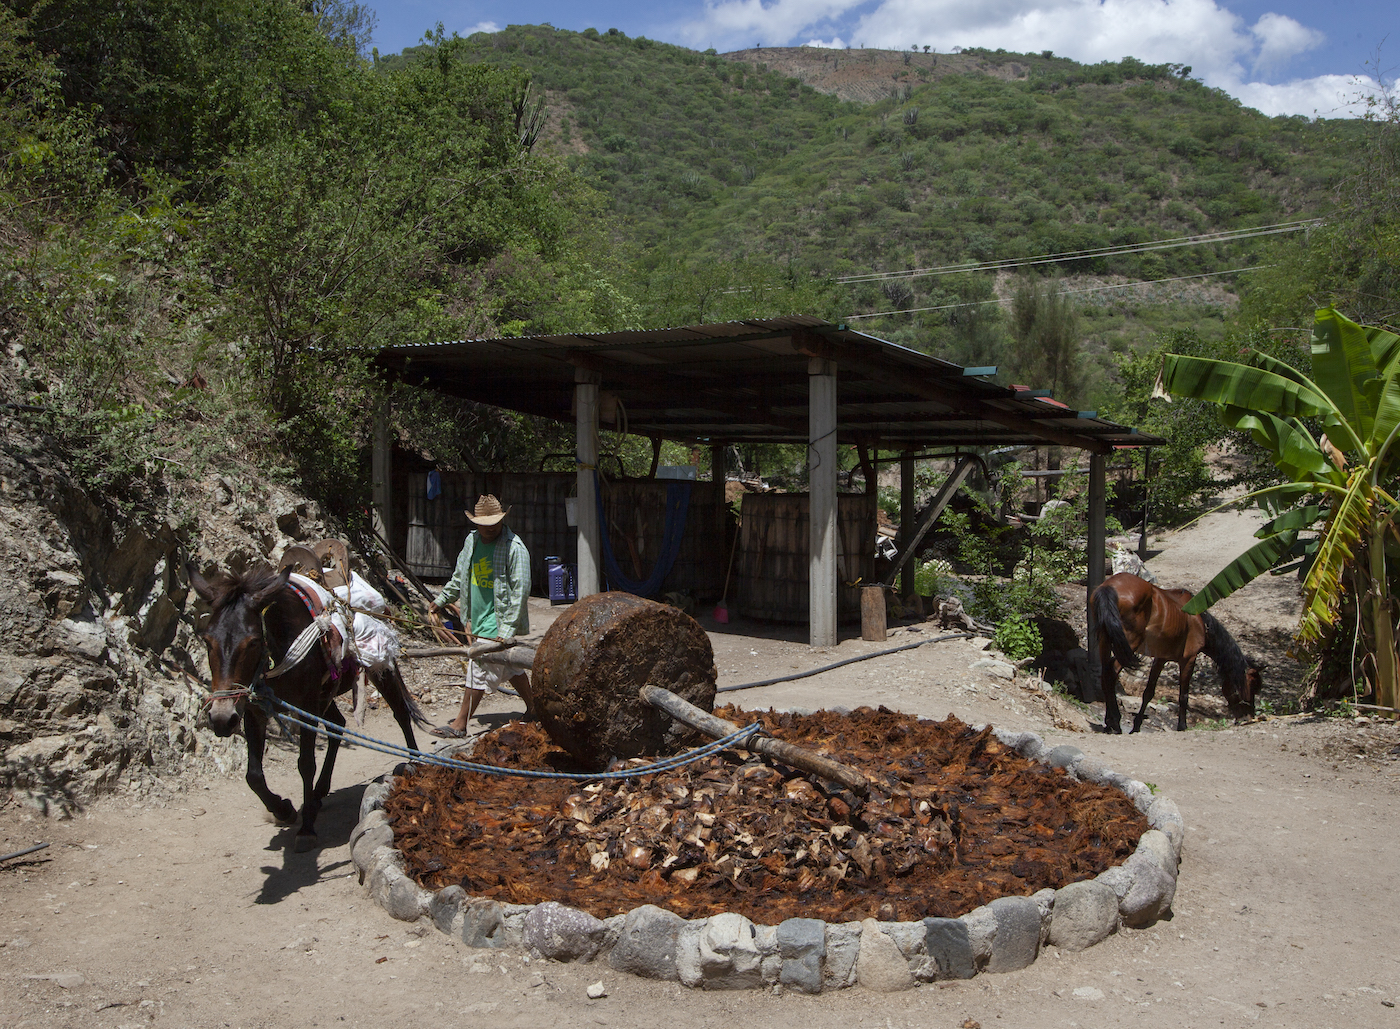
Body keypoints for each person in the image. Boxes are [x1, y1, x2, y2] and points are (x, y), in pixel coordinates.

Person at [427, 494, 535, 737]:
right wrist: (441, 600)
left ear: (502, 520)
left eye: (494, 523)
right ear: (476, 524)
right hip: (476, 619)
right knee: (511, 668)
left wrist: (506, 632)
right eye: (484, 525)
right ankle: (535, 706)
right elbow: (459, 577)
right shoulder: (472, 541)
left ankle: (460, 724)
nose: (489, 529)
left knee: (479, 664)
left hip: (499, 621)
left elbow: (520, 591)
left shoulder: (514, 548)